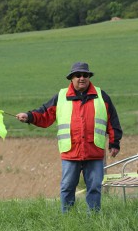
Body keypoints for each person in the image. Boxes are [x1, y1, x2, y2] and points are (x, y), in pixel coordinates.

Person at [16, 62, 122, 213]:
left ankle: (93, 219)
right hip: (70, 153)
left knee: (94, 188)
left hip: (94, 152)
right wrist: (29, 116)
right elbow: (44, 114)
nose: (82, 78)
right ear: (71, 78)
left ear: (89, 77)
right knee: (67, 187)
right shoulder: (61, 97)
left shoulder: (102, 96)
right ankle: (68, 219)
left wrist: (114, 142)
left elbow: (113, 121)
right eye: (78, 75)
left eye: (85, 75)